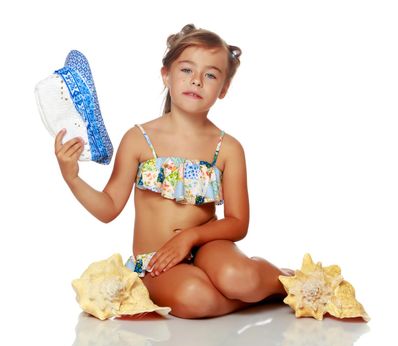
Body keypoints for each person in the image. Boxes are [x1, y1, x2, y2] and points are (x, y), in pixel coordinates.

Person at [54, 24, 293, 319]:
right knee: (197, 298)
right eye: (186, 70)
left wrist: (189, 237)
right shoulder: (138, 138)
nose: (196, 81)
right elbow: (109, 208)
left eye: (210, 75)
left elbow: (237, 223)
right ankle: (254, 301)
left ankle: (285, 283)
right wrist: (72, 176)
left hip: (209, 246)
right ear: (166, 74)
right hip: (157, 260)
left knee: (237, 277)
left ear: (224, 89)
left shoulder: (228, 148)